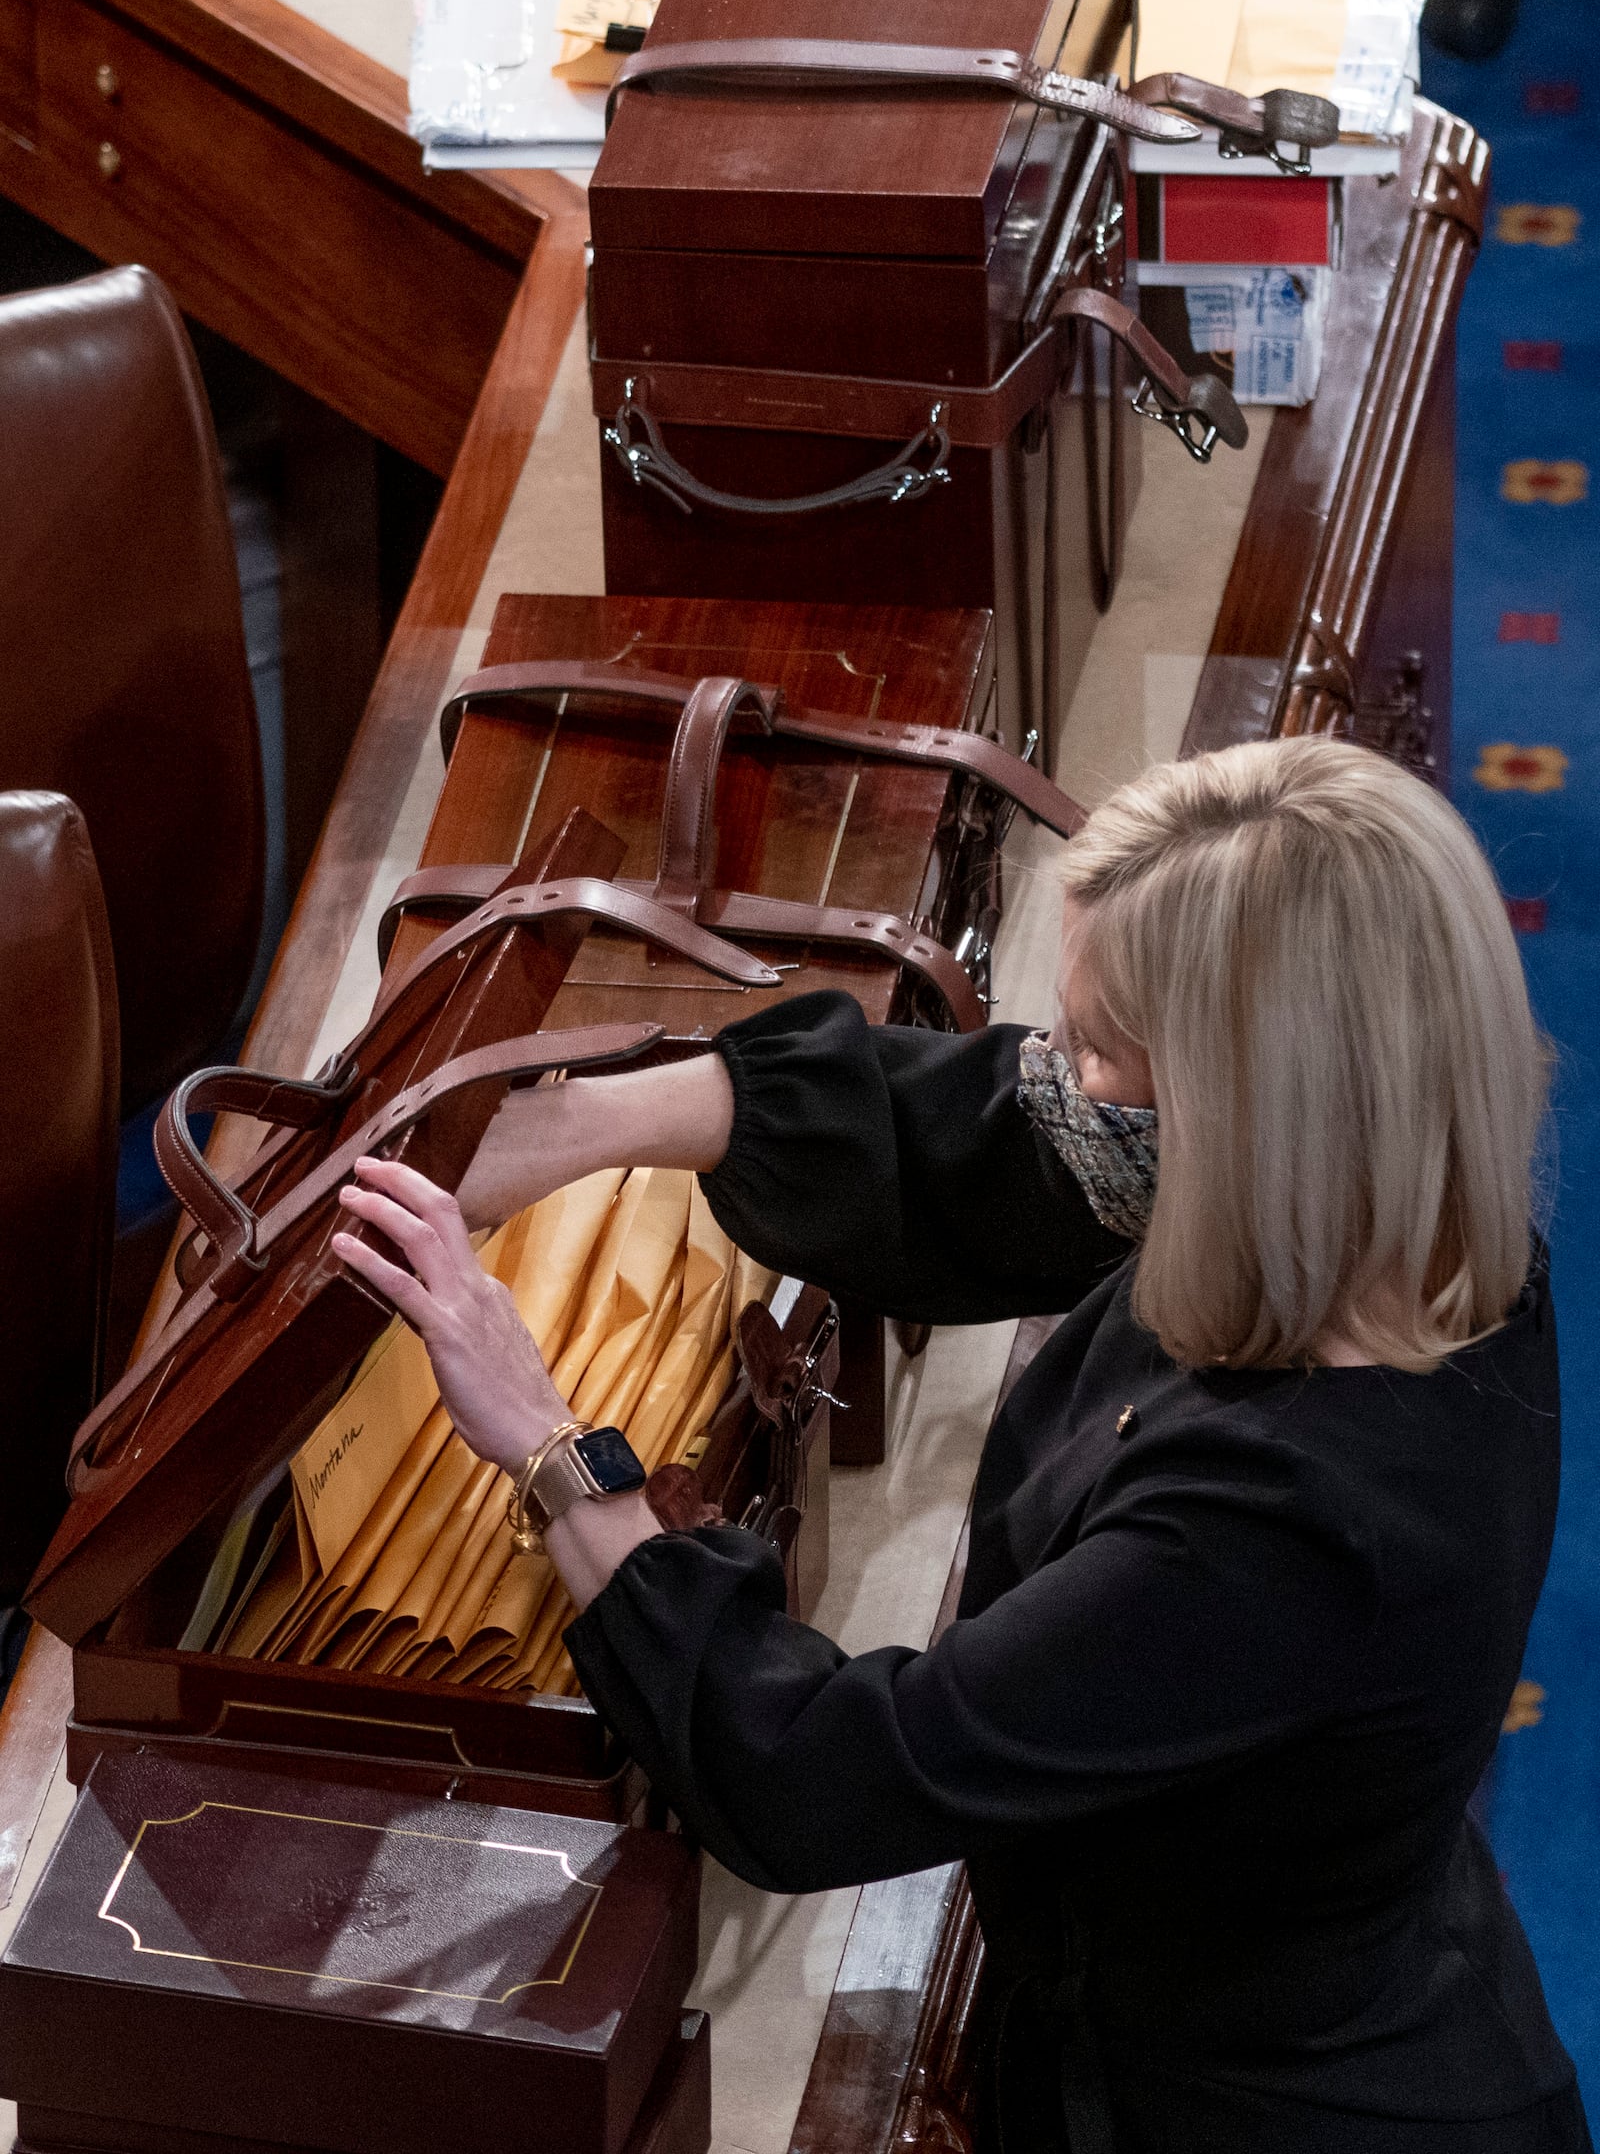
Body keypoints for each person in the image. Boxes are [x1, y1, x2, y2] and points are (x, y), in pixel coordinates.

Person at [333, 736, 1591, 2154]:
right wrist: (584, 1123)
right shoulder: (1387, 1210)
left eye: (1104, 1044)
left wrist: (554, 1445)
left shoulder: (1278, 1527)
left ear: (1247, 1116)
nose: (1063, 1071)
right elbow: (1011, 1139)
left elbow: (826, 1774)